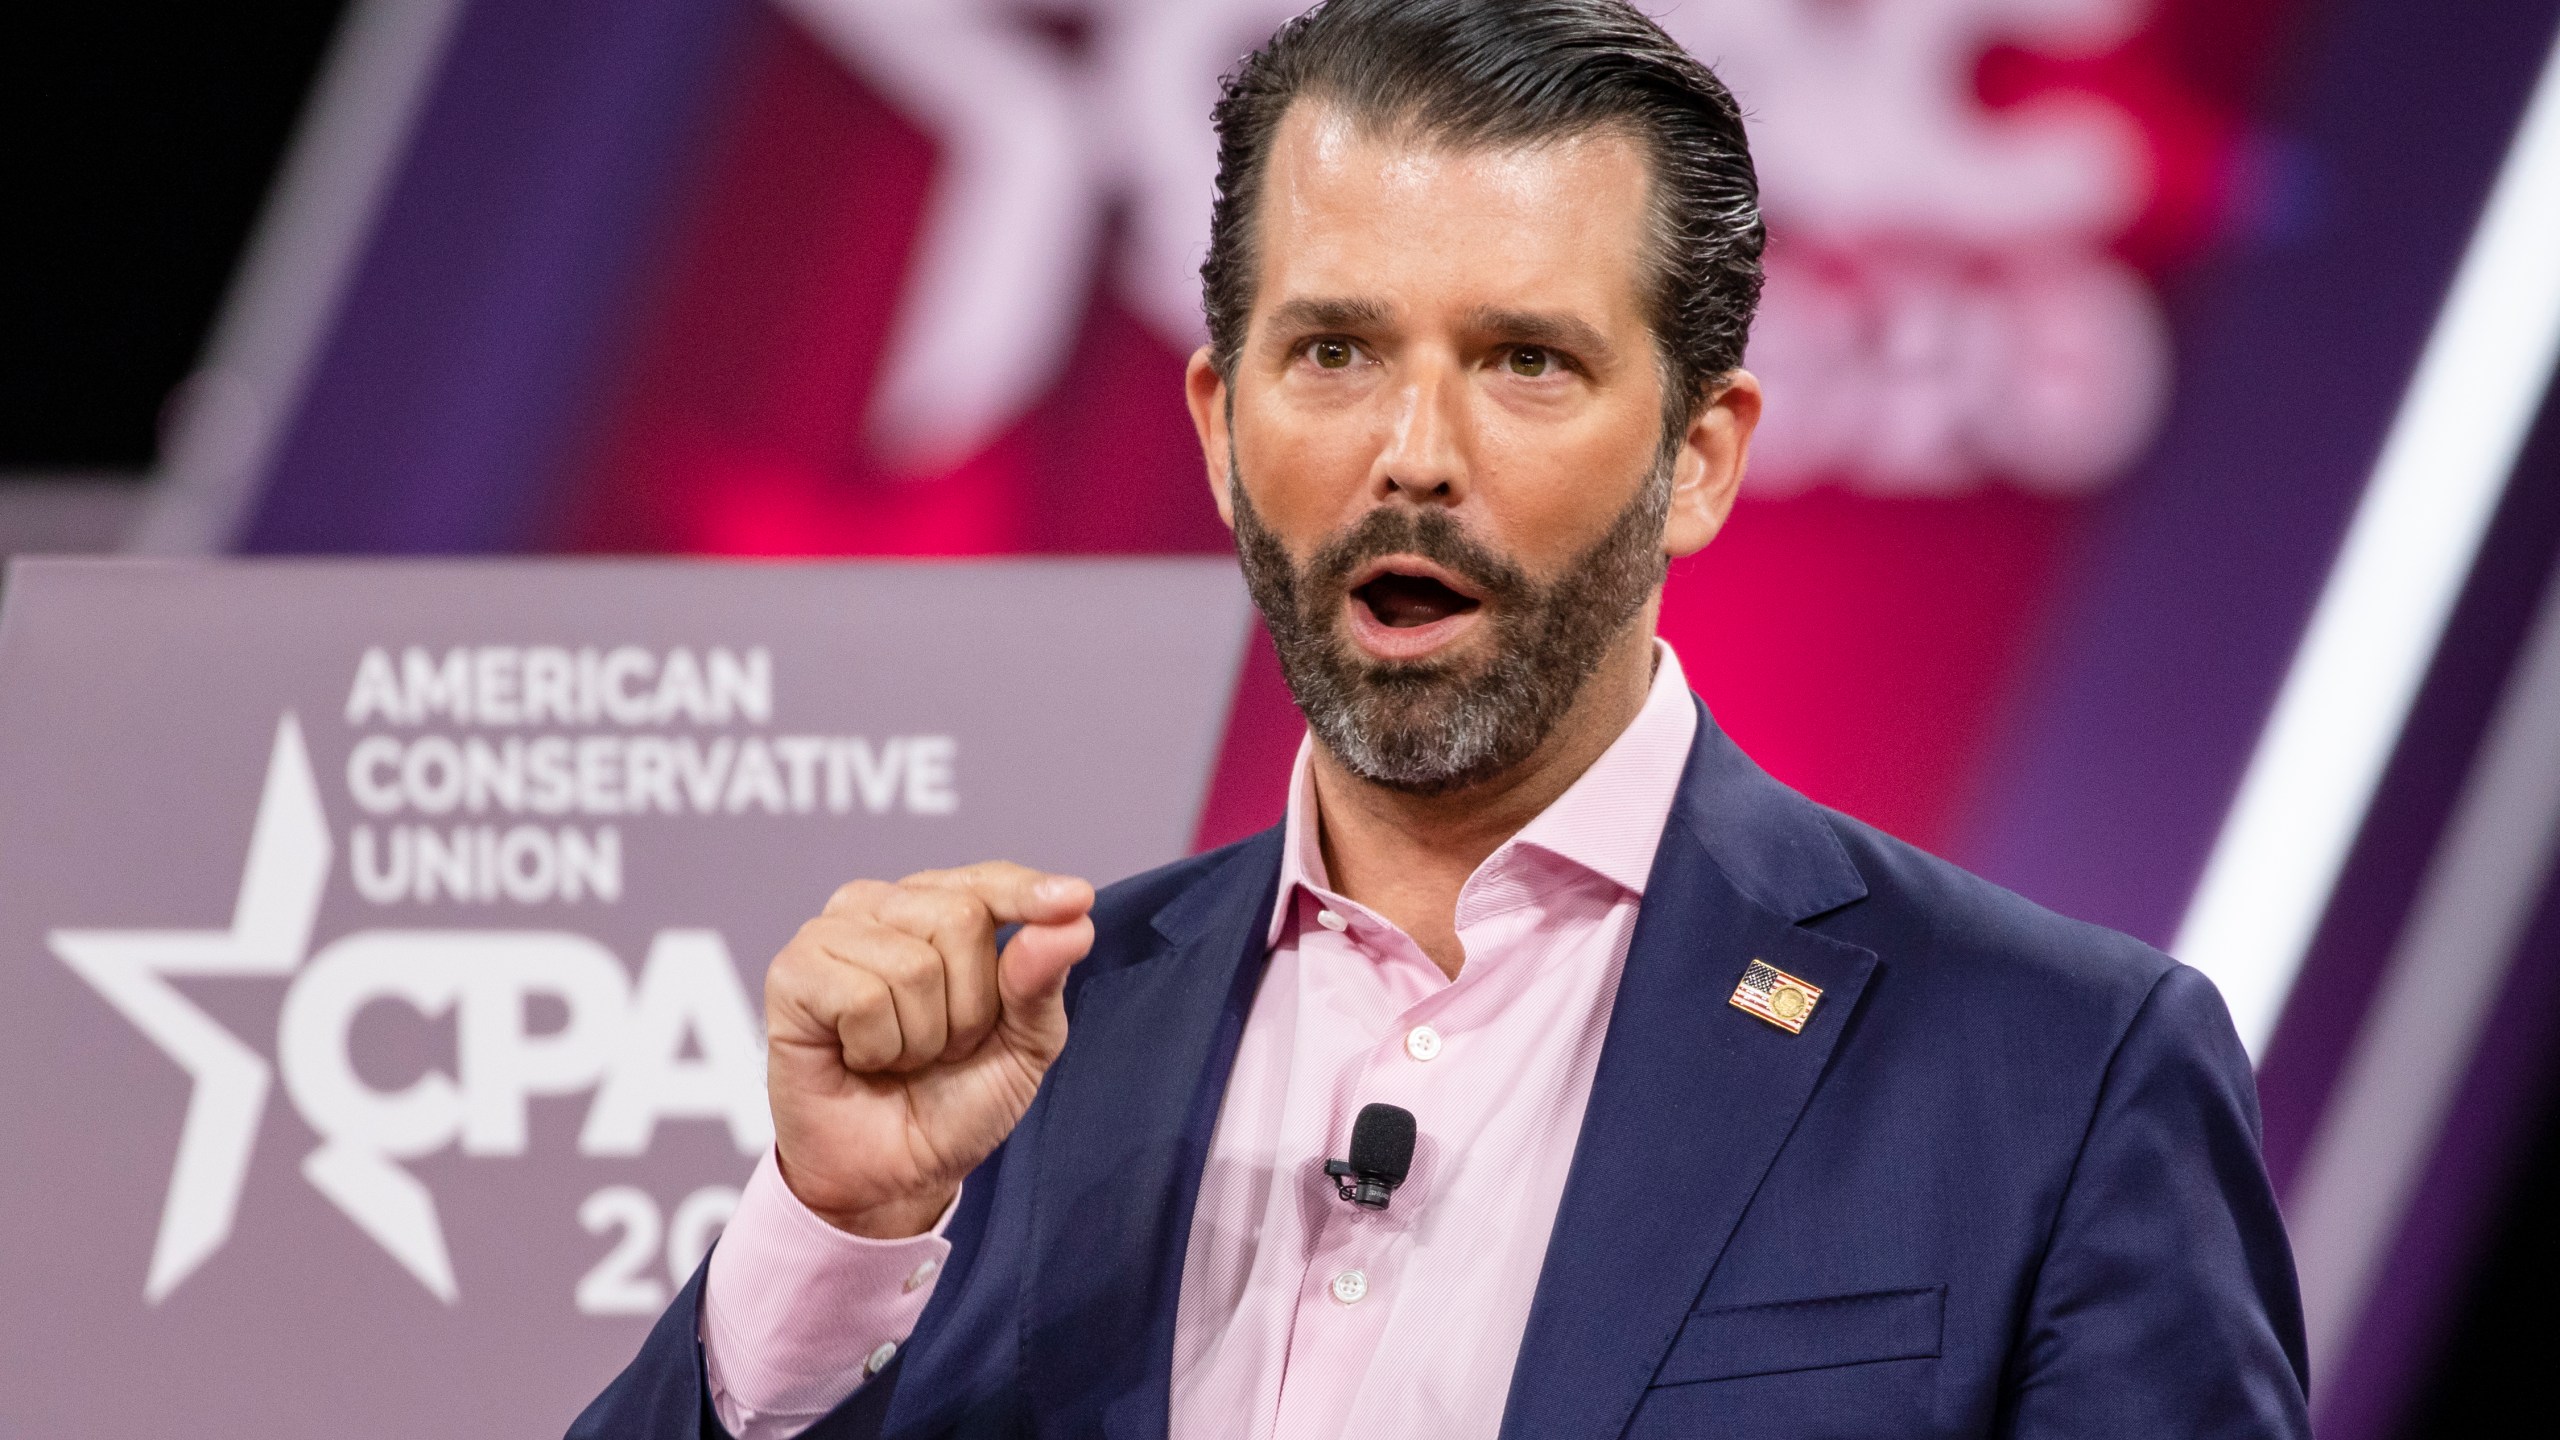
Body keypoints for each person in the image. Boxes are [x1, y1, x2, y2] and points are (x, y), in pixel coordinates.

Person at [571, 1, 2310, 1435]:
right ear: (1217, 424)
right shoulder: (1024, 1054)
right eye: (1332, 351)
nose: (1414, 451)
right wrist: (833, 1234)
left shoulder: (2057, 1072)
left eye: (1526, 361)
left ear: (1697, 456)